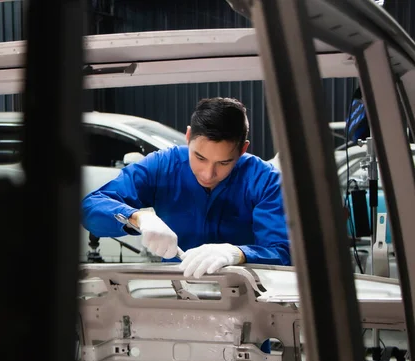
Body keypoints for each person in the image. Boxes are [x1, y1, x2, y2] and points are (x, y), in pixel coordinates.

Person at [81, 97, 291, 278]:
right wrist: (137, 218)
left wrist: (238, 253)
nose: (208, 174)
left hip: (246, 298)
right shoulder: (163, 165)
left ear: (243, 149)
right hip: (178, 293)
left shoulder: (266, 181)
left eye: (224, 163)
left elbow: (283, 252)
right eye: (200, 157)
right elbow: (91, 206)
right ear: (188, 136)